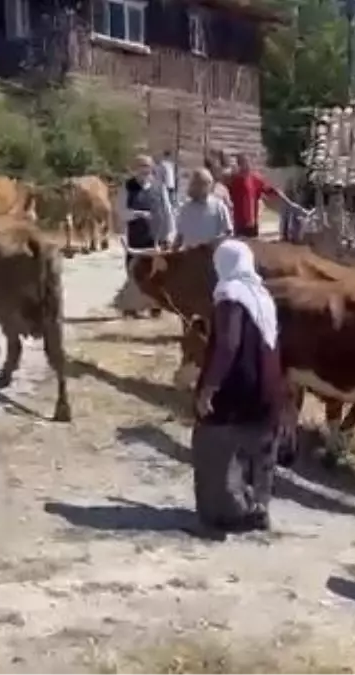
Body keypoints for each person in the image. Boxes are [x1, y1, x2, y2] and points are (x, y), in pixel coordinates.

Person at [191, 239, 287, 535]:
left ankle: (227, 515)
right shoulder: (261, 294)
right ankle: (259, 508)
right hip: (268, 386)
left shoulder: (230, 295)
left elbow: (229, 345)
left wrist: (210, 387)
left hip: (238, 385)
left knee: (213, 445)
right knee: (260, 449)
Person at [119, 155, 174, 318]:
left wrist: (170, 233)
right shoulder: (128, 188)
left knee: (156, 273)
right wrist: (138, 214)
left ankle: (155, 306)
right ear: (135, 169)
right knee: (134, 272)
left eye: (147, 166)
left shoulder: (159, 188)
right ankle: (132, 306)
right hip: (135, 238)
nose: (144, 170)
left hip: (155, 237)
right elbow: (121, 212)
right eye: (141, 166)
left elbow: (168, 211)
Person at [223, 153, 307, 238]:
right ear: (239, 164)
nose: (246, 165)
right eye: (243, 163)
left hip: (252, 225)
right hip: (238, 226)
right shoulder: (233, 180)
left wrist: (290, 203)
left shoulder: (256, 179)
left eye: (247, 162)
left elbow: (274, 191)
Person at [174, 168, 233, 250]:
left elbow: (228, 232)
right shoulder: (185, 208)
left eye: (204, 184)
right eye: (196, 184)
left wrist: (212, 243)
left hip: (212, 255)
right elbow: (180, 235)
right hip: (190, 256)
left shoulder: (218, 206)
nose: (198, 187)